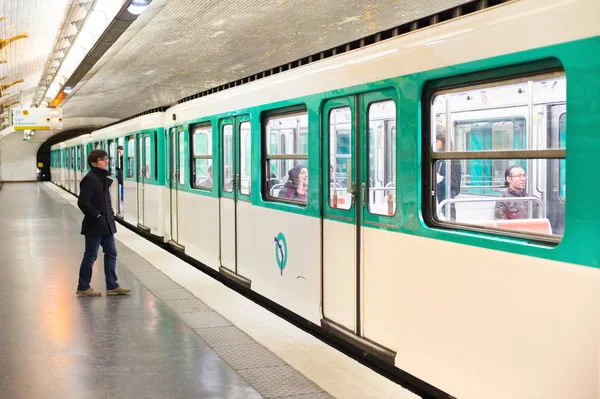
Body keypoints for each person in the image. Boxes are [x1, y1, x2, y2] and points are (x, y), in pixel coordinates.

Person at [76, 149, 130, 297]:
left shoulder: (100, 178)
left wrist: (110, 215)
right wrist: (98, 215)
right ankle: (83, 287)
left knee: (111, 253)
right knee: (91, 256)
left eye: (106, 159)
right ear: (94, 163)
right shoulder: (90, 179)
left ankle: (112, 286)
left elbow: (105, 201)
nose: (106, 161)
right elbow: (83, 203)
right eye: (102, 159)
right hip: (95, 225)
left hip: (106, 224)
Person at [435, 126, 461, 220]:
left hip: (446, 202)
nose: (434, 144)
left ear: (443, 141)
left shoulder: (452, 158)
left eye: (436, 141)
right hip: (435, 200)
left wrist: (441, 179)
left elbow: (456, 185)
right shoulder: (436, 157)